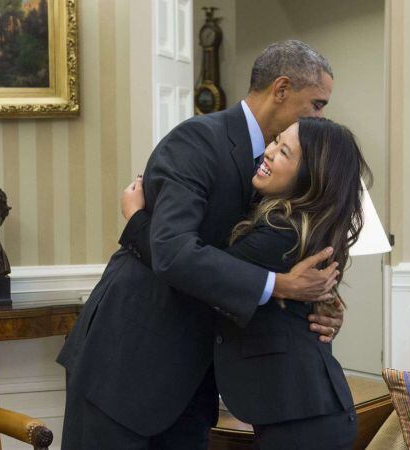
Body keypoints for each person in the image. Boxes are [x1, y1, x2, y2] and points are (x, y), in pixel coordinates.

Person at [57, 40, 343, 449]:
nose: (321, 116)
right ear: (281, 89)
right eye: (317, 103)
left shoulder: (292, 168)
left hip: (197, 377)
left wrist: (320, 306)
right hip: (124, 365)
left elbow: (263, 255)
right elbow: (174, 253)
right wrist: (280, 285)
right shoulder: (196, 140)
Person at [123, 116, 370, 450]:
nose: (267, 153)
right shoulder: (296, 224)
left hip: (302, 419)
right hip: (303, 413)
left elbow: (199, 277)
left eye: (284, 152)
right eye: (275, 140)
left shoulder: (282, 233)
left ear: (309, 176)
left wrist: (137, 221)